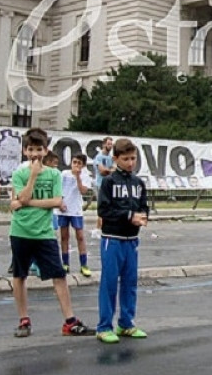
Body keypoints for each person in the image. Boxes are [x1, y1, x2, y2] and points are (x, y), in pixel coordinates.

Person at [9, 130, 92, 338]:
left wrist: (25, 203)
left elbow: (55, 201)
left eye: (39, 149)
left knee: (58, 275)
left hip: (44, 233)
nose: (35, 153)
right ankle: (24, 319)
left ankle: (69, 320)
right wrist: (33, 176)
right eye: (31, 149)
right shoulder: (20, 173)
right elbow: (21, 195)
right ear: (25, 151)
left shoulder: (54, 174)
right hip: (21, 231)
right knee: (20, 275)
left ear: (46, 150)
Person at [96, 137, 149, 343]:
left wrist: (143, 216)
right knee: (109, 282)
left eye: (133, 158)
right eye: (126, 159)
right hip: (113, 238)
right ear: (115, 159)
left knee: (130, 282)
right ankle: (103, 326)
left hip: (132, 239)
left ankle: (126, 323)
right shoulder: (109, 182)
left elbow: (143, 205)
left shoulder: (138, 182)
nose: (130, 163)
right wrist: (128, 216)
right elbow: (104, 209)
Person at [57, 153, 93, 277]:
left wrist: (78, 177)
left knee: (80, 237)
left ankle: (83, 264)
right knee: (64, 237)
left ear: (83, 165)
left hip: (76, 210)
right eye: (74, 162)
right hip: (64, 209)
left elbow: (83, 190)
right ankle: (65, 263)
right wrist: (60, 203)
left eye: (79, 163)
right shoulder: (64, 174)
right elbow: (58, 189)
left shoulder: (85, 176)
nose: (76, 165)